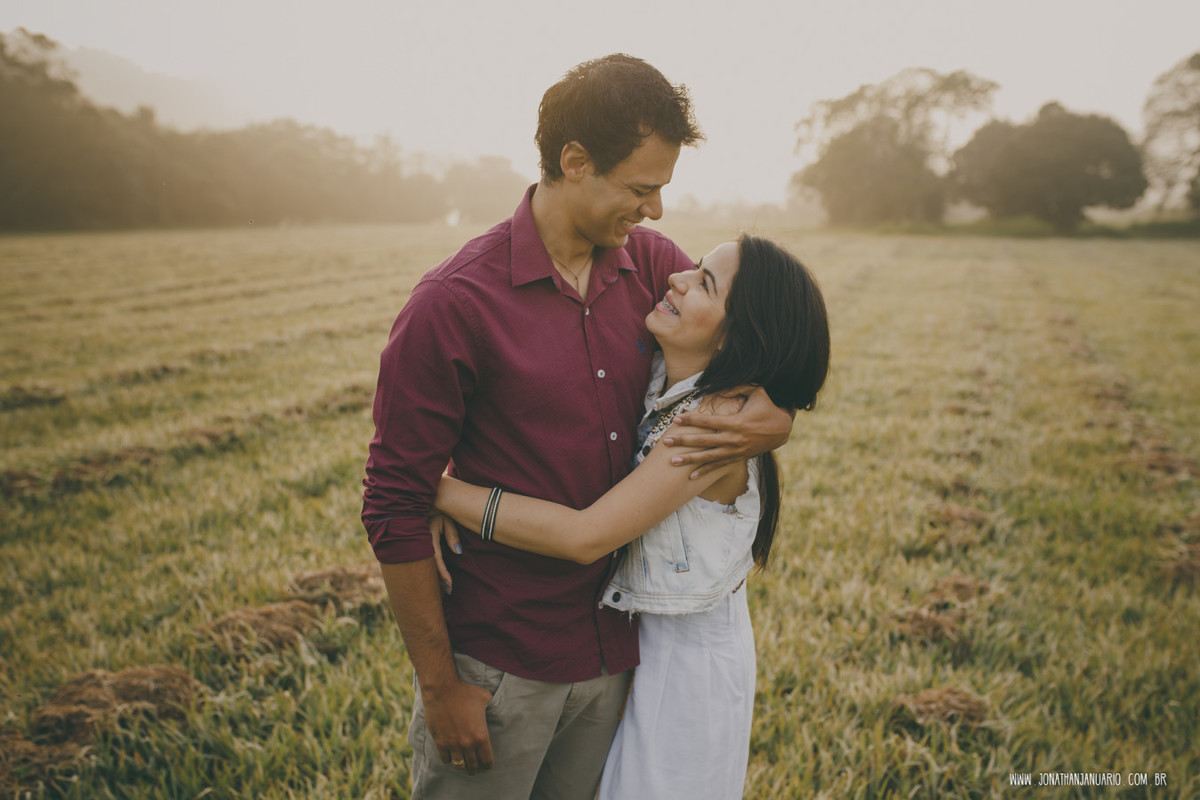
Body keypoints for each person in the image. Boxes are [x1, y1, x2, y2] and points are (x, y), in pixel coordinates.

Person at [361, 55, 794, 799]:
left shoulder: (652, 269)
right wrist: (439, 686)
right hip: (500, 664)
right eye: (640, 188)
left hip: (620, 658)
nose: (656, 210)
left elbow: (742, 344)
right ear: (574, 162)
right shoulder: (452, 304)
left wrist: (775, 417)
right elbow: (392, 504)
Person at [432, 234, 830, 799]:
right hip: (639, 646)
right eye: (695, 266)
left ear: (739, 338)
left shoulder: (713, 423)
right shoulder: (669, 379)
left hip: (686, 668)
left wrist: (437, 491)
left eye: (704, 283)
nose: (677, 278)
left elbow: (584, 536)